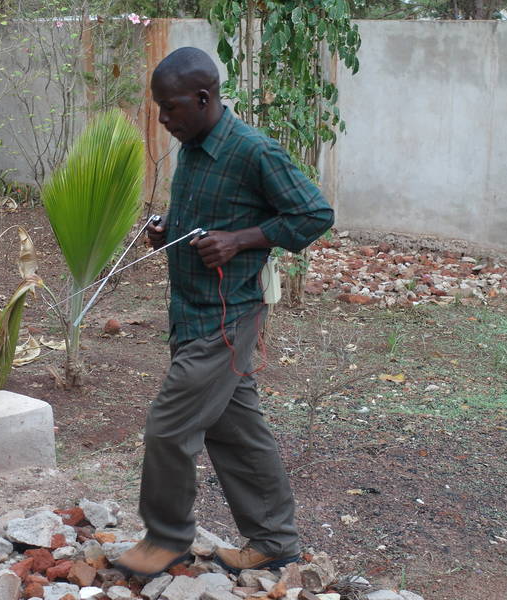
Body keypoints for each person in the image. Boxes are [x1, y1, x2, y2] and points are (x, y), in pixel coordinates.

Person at [115, 47, 334, 577]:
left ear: (204, 98)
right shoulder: (193, 145)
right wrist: (170, 228)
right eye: (159, 109)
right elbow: (208, 211)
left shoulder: (254, 151)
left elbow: (314, 212)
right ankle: (275, 541)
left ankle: (165, 540)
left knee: (168, 428)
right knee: (235, 430)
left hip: (225, 318)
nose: (163, 120)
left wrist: (241, 240)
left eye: (170, 109)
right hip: (190, 312)